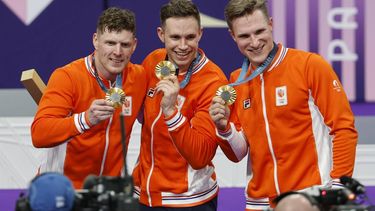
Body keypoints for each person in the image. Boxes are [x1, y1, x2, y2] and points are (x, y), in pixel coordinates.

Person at [209, 0, 358, 210]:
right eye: (244, 36)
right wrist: (224, 129)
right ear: (233, 36)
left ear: (271, 24)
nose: (254, 42)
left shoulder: (309, 66)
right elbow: (237, 154)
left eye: (259, 31)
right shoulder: (236, 81)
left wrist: (336, 189)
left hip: (308, 198)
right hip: (258, 202)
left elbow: (343, 129)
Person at [31, 7, 147, 189]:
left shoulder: (139, 77)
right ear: (96, 41)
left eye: (124, 45)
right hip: (63, 193)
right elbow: (39, 134)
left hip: (106, 196)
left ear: (134, 45)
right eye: (110, 43)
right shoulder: (68, 77)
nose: (117, 52)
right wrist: (85, 119)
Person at [131, 0, 228, 210]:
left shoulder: (214, 81)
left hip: (189, 200)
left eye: (190, 37)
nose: (183, 46)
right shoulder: (152, 61)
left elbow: (200, 156)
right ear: (161, 34)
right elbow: (141, 116)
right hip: (144, 195)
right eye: (175, 37)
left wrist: (170, 111)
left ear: (200, 34)